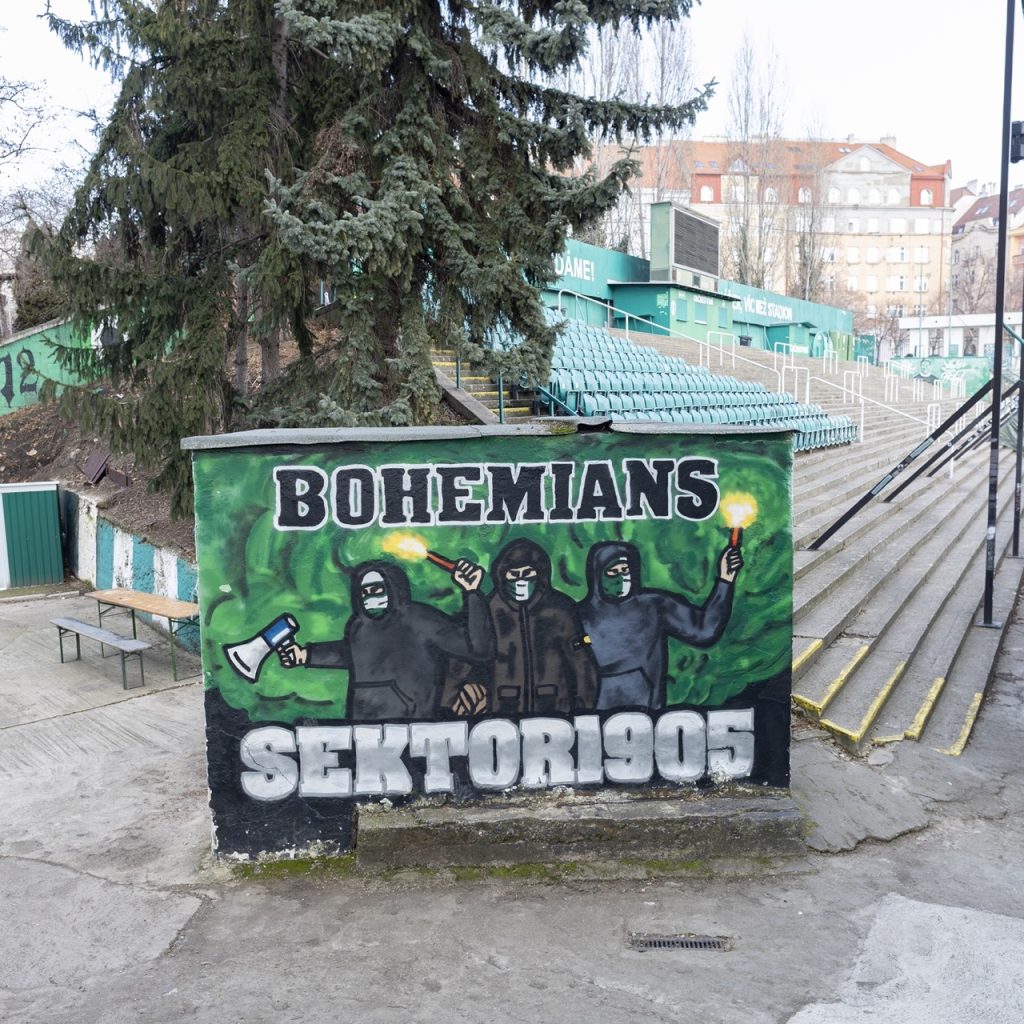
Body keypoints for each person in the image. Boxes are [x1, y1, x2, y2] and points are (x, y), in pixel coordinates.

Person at [278, 558, 493, 720]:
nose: (370, 597)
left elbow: (478, 649)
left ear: (393, 588)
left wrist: (472, 592)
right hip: (363, 728)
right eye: (365, 591)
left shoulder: (419, 619)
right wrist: (305, 655)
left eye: (377, 589)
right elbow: (352, 653)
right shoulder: (359, 627)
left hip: (412, 726)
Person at [577, 540, 742, 710]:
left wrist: (725, 580)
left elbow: (703, 630)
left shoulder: (654, 605)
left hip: (648, 713)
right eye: (613, 572)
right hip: (592, 717)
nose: (622, 577)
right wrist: (584, 642)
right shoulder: (579, 615)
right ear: (599, 575)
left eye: (625, 570)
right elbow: (567, 651)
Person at [476, 538, 599, 715]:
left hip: (555, 709)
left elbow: (582, 658)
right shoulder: (488, 610)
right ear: (502, 575)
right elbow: (468, 658)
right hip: (501, 712)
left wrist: (583, 707)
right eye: (514, 574)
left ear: (540, 574)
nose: (521, 580)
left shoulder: (562, 608)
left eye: (527, 573)